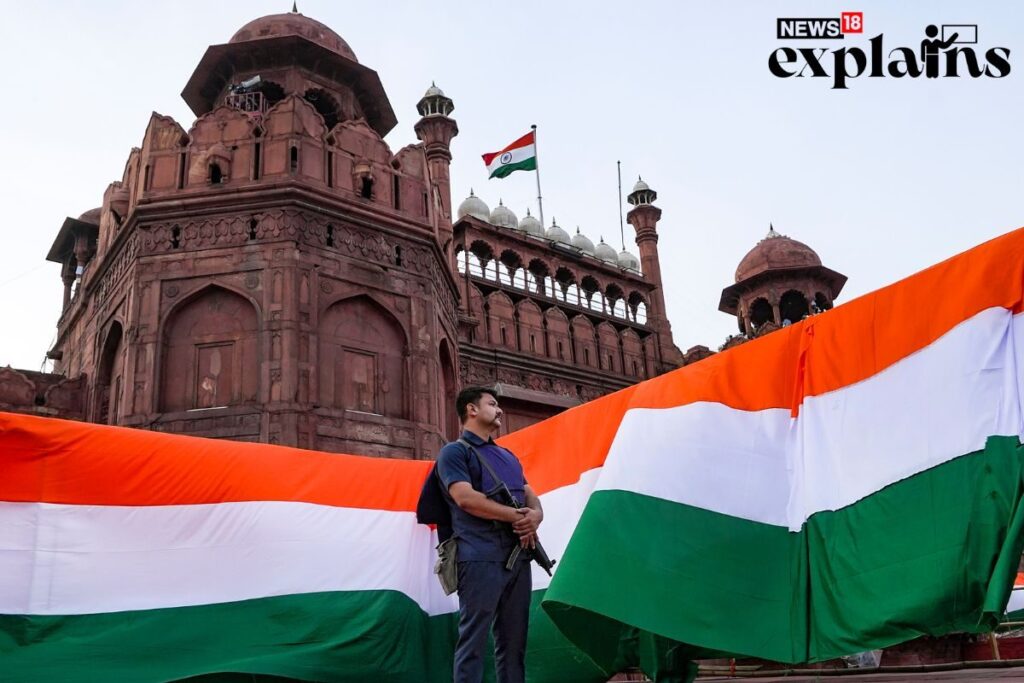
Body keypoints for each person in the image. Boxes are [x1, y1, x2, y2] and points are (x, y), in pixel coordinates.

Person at [436, 386, 543, 683]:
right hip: (479, 556)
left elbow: (529, 494)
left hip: (518, 558)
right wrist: (517, 517)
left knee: (514, 645)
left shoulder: (508, 456)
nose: (499, 410)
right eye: (492, 404)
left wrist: (535, 516)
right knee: (473, 643)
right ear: (472, 409)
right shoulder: (454, 452)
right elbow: (465, 498)